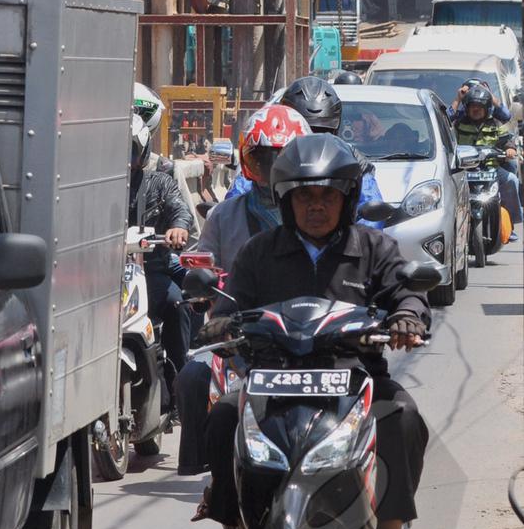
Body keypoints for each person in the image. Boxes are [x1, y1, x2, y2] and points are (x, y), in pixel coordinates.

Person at [197, 134, 431, 529]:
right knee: (224, 415)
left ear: (348, 199)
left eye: (327, 196)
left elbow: (407, 293)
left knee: (402, 416)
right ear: (287, 201)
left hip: (355, 377)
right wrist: (221, 326)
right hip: (274, 378)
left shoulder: (374, 248)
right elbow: (229, 306)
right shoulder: (259, 252)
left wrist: (406, 317)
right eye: (305, 196)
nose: (316, 206)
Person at [174, 105, 311, 477]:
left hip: (307, 332)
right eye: (264, 160)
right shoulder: (225, 215)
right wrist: (201, 284)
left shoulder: (318, 215)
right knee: (192, 377)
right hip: (239, 334)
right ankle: (210, 476)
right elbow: (201, 262)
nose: (273, 170)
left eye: (283, 161)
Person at [226, 76, 387, 229]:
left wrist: (350, 241)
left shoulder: (349, 160)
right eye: (305, 131)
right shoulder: (265, 156)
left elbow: (370, 211)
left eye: (322, 132)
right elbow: (235, 206)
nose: (313, 141)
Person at [127, 115, 195, 404]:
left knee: (177, 303)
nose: (123, 159)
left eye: (129, 151)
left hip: (151, 271)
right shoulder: (96, 188)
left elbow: (179, 209)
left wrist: (178, 227)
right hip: (103, 276)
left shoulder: (159, 183)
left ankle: (180, 385)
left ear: (142, 152)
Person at [453, 85, 523, 241]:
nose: (476, 109)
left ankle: (509, 224)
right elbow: (448, 122)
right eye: (472, 106)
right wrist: (458, 98)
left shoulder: (496, 123)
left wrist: (510, 149)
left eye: (480, 106)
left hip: (491, 168)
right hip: (465, 170)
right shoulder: (458, 124)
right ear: (467, 108)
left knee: (511, 180)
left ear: (487, 108)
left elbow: (507, 140)